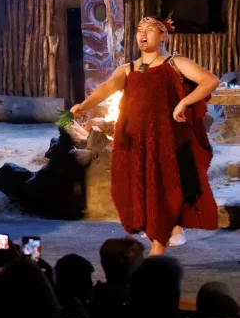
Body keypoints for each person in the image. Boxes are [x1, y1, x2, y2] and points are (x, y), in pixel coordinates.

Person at [71, 16, 219, 255]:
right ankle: (162, 228)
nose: (143, 34)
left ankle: (157, 248)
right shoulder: (128, 69)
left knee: (162, 185)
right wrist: (85, 104)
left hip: (166, 140)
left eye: (150, 30)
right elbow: (108, 87)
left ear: (162, 35)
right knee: (142, 187)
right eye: (140, 30)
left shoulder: (174, 62)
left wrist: (183, 103)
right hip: (136, 140)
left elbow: (210, 81)